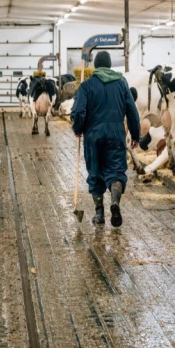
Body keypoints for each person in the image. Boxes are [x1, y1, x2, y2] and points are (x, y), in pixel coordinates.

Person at [71, 51, 141, 227]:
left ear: (95, 66)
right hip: (116, 135)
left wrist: (77, 128)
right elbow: (132, 111)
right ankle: (115, 202)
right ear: (110, 65)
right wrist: (135, 134)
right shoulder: (122, 84)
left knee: (95, 173)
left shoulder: (86, 86)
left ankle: (99, 214)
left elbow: (78, 112)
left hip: (93, 136)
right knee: (116, 172)